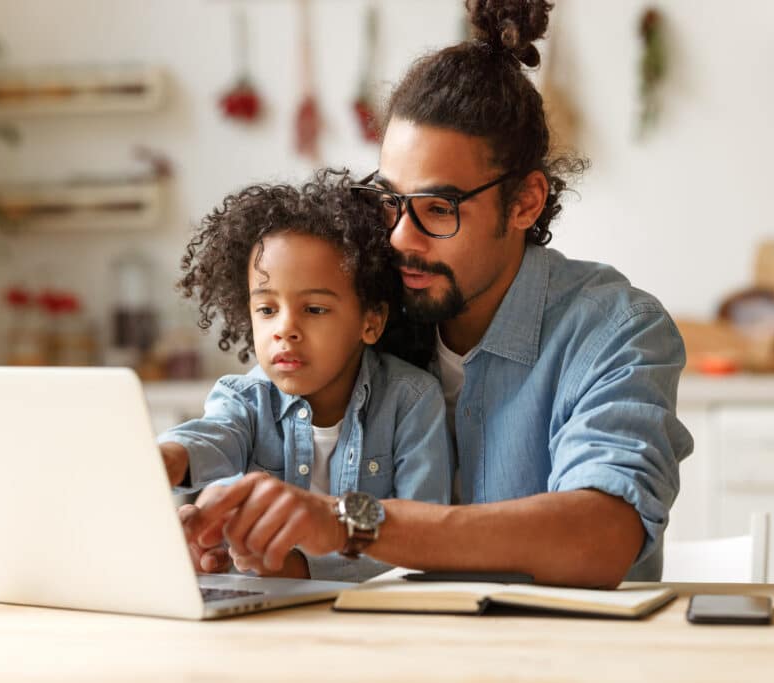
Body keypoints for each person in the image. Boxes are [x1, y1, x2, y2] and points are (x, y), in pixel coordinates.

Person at [182, 0, 694, 588]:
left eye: (438, 209)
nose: (401, 237)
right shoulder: (367, 312)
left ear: (526, 201)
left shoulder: (617, 331)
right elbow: (254, 410)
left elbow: (602, 535)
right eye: (391, 201)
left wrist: (348, 522)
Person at [157, 169, 452, 581]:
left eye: (314, 309)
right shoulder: (245, 398)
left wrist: (302, 568)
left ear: (371, 321)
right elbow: (214, 435)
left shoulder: (412, 401)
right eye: (266, 309)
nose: (284, 328)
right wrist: (169, 458)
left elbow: (424, 535)